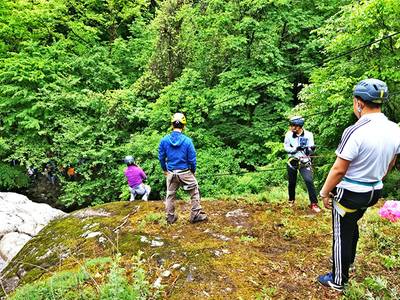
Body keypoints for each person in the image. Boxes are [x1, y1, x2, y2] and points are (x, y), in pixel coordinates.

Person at [317, 79, 400, 291]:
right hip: (373, 191)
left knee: (340, 234)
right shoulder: (394, 129)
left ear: (359, 103)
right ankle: (349, 261)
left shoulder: (355, 130)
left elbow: (339, 169)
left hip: (350, 192)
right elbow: (391, 161)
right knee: (351, 224)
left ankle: (338, 280)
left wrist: (325, 192)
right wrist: (378, 177)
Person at [158, 112, 208, 224]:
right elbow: (192, 160)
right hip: (185, 173)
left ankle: (170, 217)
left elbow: (161, 158)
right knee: (194, 192)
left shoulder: (164, 140)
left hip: (171, 173)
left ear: (172, 125)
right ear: (183, 126)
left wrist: (165, 170)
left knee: (170, 195)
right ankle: (195, 215)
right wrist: (193, 171)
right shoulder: (187, 141)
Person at [284, 116, 321, 213]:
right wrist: (295, 148)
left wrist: (310, 149)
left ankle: (314, 203)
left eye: (293, 126)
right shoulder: (288, 134)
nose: (291, 128)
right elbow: (286, 148)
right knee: (292, 182)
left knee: (309, 180)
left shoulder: (309, 134)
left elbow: (311, 150)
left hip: (304, 161)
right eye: (291, 125)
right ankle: (291, 200)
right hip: (293, 161)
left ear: (299, 126)